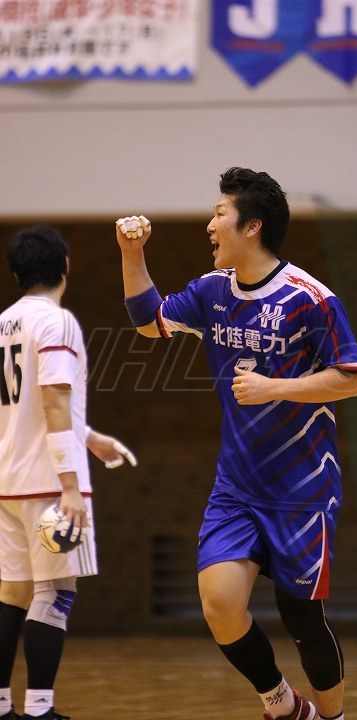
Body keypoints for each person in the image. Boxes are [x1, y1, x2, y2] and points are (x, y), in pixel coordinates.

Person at [115, 167, 357, 720]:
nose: (210, 225)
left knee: (302, 620)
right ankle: (283, 704)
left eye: (219, 214)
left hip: (302, 491)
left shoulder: (310, 299)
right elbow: (148, 321)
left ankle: (334, 717)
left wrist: (275, 387)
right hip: (237, 488)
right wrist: (132, 253)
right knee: (220, 604)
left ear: (252, 226)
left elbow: (351, 378)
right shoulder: (213, 292)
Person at [0, 226, 137, 720]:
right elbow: (55, 401)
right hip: (48, 485)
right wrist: (70, 486)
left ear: (17, 273)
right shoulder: (57, 322)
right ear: (65, 267)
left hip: (8, 483)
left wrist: (89, 437)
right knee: (56, 591)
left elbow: (28, 406)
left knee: (12, 592)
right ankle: (40, 709)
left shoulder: (3, 323)